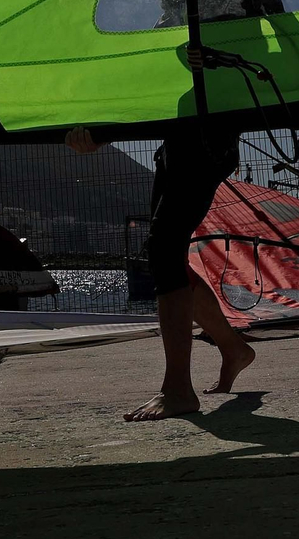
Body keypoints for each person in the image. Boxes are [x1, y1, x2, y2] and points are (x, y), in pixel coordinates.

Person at [65, 58, 256, 421]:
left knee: (164, 249)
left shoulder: (234, 4)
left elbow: (283, 56)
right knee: (165, 255)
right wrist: (98, 131)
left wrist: (215, 57)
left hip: (208, 136)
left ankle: (179, 389)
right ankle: (233, 348)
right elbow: (151, 74)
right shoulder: (173, 10)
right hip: (177, 140)